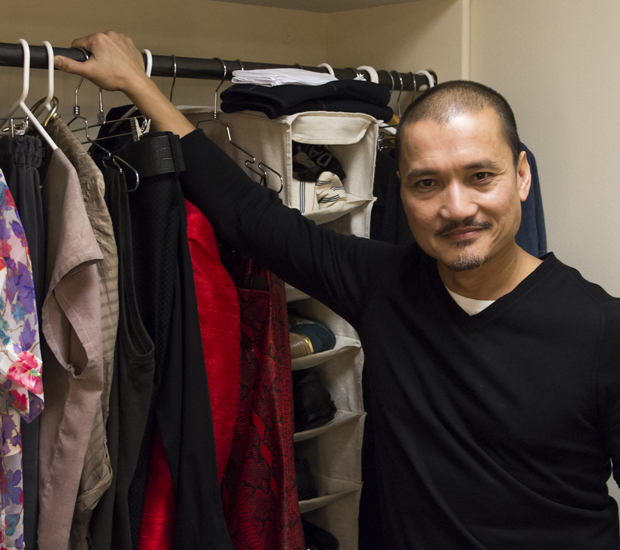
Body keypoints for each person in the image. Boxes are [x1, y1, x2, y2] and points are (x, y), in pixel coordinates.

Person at [54, 32, 620, 549]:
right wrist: (136, 83)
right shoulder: (384, 284)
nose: (456, 207)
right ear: (400, 191)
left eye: (480, 176)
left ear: (521, 175)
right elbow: (249, 216)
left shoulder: (601, 329)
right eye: (427, 183)